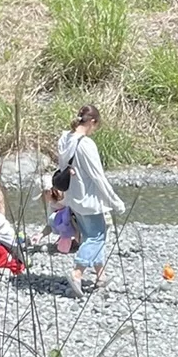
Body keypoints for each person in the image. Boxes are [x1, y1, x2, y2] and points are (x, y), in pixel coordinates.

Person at [56, 105, 124, 298]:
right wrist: (115, 202)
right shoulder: (86, 144)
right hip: (89, 200)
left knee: (89, 235)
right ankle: (77, 273)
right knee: (97, 237)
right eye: (96, 125)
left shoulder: (64, 139)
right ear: (92, 122)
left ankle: (100, 275)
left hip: (73, 198)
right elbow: (98, 177)